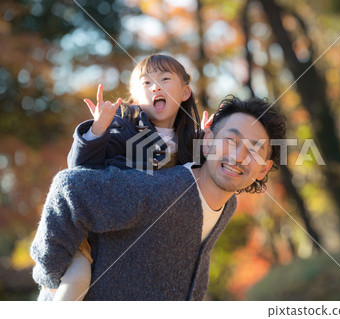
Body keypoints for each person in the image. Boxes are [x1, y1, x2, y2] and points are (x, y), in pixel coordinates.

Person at [30, 95, 286, 301]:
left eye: (254, 149)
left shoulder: (228, 204)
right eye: (230, 140)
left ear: (263, 169)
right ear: (207, 143)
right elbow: (69, 188)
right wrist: (53, 279)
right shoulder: (161, 191)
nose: (239, 156)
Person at [52, 54, 202, 301]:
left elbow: (198, 181)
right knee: (77, 281)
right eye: (146, 82)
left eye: (165, 78)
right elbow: (79, 171)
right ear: (134, 96)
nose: (155, 86)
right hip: (95, 235)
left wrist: (207, 145)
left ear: (185, 92)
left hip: (145, 238)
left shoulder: (189, 141)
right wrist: (97, 129)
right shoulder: (122, 130)